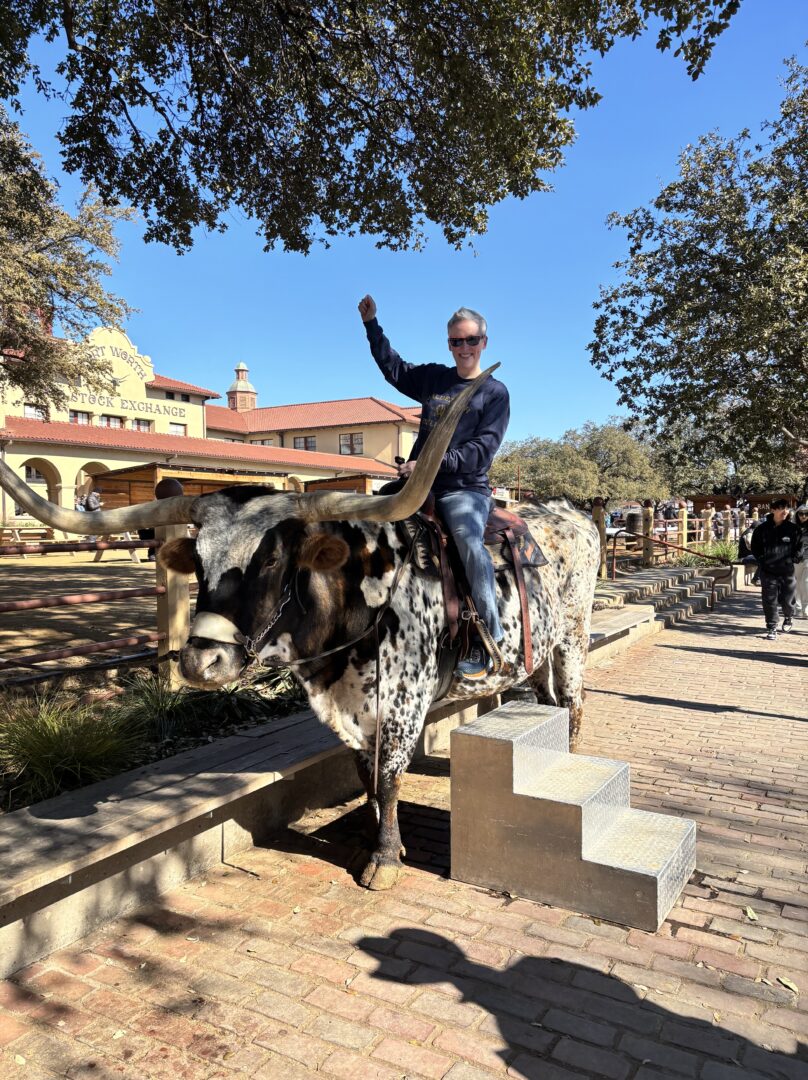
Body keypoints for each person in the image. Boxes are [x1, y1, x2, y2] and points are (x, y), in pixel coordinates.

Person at [358, 294, 510, 679]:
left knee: (468, 543)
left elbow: (481, 451)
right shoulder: (434, 380)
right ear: (449, 344)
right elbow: (394, 369)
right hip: (416, 484)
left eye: (470, 340)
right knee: (367, 526)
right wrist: (372, 324)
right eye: (456, 341)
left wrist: (429, 463)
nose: (463, 348)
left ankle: (487, 639)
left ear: (483, 342)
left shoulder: (494, 393)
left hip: (464, 488)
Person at [750, 499, 802, 640]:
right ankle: (772, 626)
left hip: (787, 571)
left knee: (787, 600)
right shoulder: (762, 529)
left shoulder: (793, 529)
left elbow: (799, 548)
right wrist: (763, 560)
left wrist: (793, 559)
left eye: (786, 508)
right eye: (780, 508)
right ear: (773, 510)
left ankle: (788, 616)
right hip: (768, 571)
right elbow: (755, 547)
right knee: (769, 599)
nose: (784, 511)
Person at [794, 504, 808, 618]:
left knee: (806, 582)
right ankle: (798, 607)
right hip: (796, 559)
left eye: (806, 514)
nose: (803, 516)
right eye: (801, 514)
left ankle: (806, 607)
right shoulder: (793, 528)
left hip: (807, 557)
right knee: (798, 583)